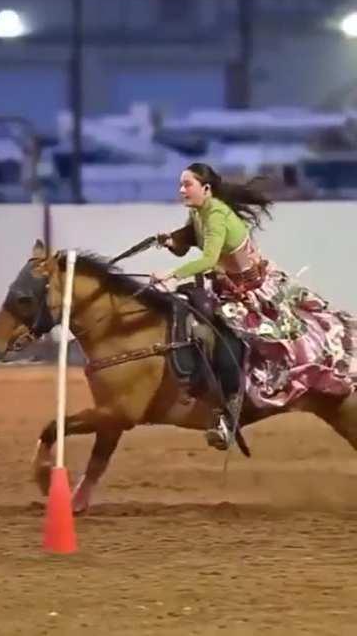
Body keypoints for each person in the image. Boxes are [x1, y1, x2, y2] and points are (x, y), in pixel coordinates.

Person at [152, 163, 356, 451]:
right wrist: (172, 241)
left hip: (253, 293)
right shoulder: (199, 212)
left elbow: (209, 259)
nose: (181, 189)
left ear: (206, 189)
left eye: (187, 184)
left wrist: (170, 275)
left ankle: (229, 415)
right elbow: (190, 239)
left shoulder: (217, 216)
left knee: (230, 344)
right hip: (228, 289)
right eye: (181, 184)